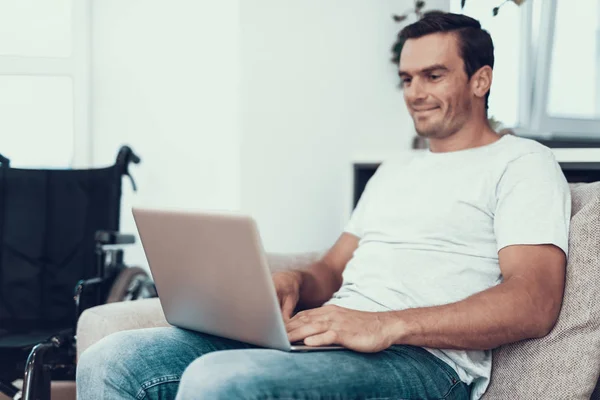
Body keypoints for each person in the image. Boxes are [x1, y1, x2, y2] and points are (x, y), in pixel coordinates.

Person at [76, 12, 570, 400]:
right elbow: (332, 269)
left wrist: (386, 325)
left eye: (433, 75)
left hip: (424, 362)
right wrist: (297, 283)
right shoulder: (396, 170)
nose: (415, 93)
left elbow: (534, 301)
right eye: (406, 79)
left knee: (221, 382)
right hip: (333, 339)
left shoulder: (523, 163)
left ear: (480, 80)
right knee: (111, 359)